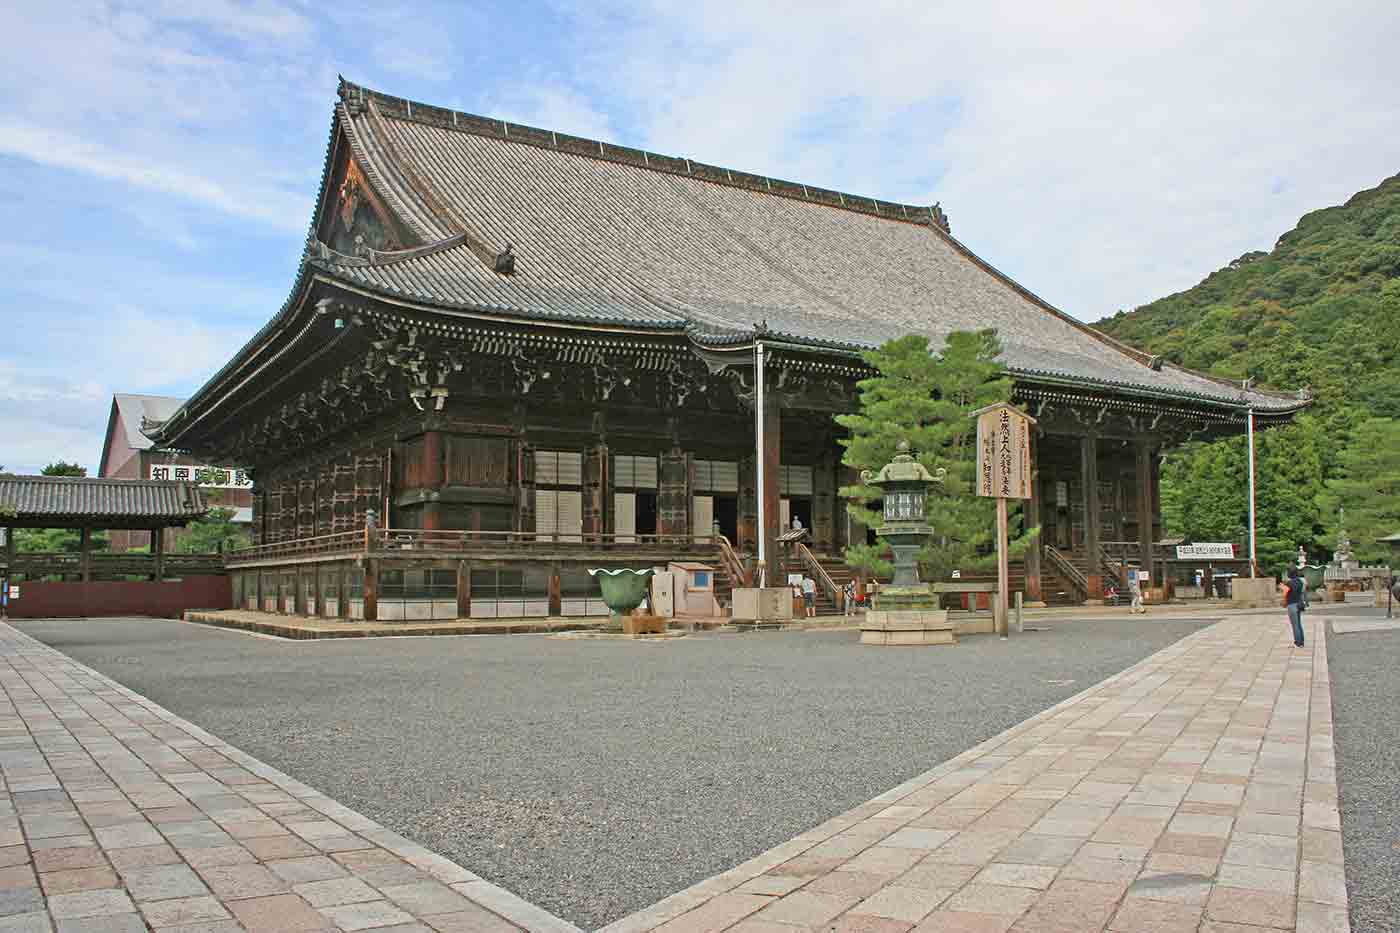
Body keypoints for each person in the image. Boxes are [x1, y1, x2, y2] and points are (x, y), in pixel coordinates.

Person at [1284, 567, 1308, 647]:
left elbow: (1285, 594)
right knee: (1299, 624)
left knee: (1295, 625)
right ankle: (1301, 642)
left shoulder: (1288, 583)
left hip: (1291, 605)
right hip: (1299, 604)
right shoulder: (1300, 582)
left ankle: (1298, 643)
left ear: (1290, 574)